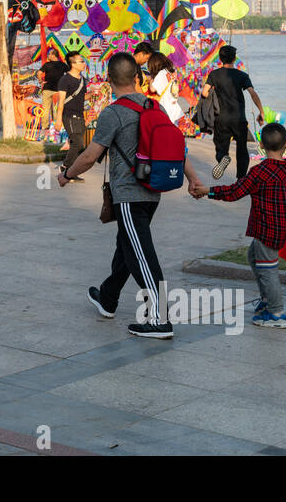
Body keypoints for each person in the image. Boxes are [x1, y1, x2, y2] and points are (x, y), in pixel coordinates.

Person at [58, 51, 205, 339]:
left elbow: (90, 155)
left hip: (128, 195)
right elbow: (177, 148)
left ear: (109, 80)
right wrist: (194, 178)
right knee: (127, 246)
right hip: (153, 193)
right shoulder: (156, 107)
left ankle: (160, 320)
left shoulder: (112, 113)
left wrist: (67, 174)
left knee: (141, 255)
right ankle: (108, 297)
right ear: (137, 79)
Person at [204, 123, 286, 329]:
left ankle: (276, 312)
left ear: (261, 144)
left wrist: (209, 191)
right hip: (283, 229)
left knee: (268, 269)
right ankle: (267, 299)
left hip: (266, 230)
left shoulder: (260, 171)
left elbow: (235, 192)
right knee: (254, 256)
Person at [201, 45, 264, 180]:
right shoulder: (242, 75)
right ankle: (241, 177)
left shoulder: (214, 74)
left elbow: (204, 92)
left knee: (221, 145)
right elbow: (253, 94)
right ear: (234, 58)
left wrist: (213, 94)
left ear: (220, 58)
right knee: (242, 148)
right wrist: (261, 111)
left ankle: (222, 158)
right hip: (239, 119)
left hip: (221, 118)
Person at [58, 53, 88, 178]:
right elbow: (61, 101)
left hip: (80, 115)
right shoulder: (65, 79)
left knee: (77, 144)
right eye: (81, 61)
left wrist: (93, 94)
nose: (84, 63)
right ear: (73, 64)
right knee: (78, 143)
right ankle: (65, 167)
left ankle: (71, 172)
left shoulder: (82, 80)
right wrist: (58, 119)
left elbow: (81, 98)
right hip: (69, 115)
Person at [145, 51, 184, 123]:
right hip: (175, 108)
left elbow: (152, 89)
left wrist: (151, 79)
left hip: (166, 110)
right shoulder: (172, 71)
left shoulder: (161, 73)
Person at [39, 48, 69, 131]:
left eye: (49, 54)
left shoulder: (47, 65)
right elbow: (69, 74)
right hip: (58, 90)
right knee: (57, 109)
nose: (48, 55)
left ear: (53, 55)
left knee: (45, 109)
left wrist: (41, 81)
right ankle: (56, 126)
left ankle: (45, 127)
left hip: (47, 89)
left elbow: (39, 73)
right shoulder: (63, 65)